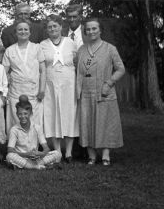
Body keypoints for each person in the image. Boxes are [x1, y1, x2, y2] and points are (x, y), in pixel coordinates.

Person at [76, 18, 125, 166]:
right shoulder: (81, 49)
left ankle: (105, 155)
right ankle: (91, 155)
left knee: (105, 123)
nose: (91, 31)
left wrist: (109, 83)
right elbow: (77, 69)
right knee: (87, 123)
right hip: (85, 92)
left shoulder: (110, 48)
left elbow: (120, 69)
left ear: (100, 30)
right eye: (88, 29)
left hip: (103, 92)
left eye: (94, 28)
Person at [40, 14, 78, 162]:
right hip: (50, 84)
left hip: (69, 83)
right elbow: (41, 66)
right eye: (49, 27)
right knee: (53, 114)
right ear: (46, 29)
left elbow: (75, 60)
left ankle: (68, 152)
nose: (52, 29)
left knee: (69, 114)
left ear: (61, 27)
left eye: (55, 26)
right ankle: (57, 151)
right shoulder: (42, 44)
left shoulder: (70, 42)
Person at [2, 20, 46, 132]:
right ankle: (15, 147)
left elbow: (43, 70)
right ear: (15, 33)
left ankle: (33, 148)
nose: (23, 31)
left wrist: (42, 89)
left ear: (30, 32)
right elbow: (3, 73)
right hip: (16, 91)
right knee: (16, 119)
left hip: (34, 91)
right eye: (20, 29)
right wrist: (5, 88)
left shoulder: (37, 48)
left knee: (34, 120)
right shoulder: (9, 50)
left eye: (25, 29)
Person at [6, 95, 62, 170]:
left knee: (57, 154)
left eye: (25, 113)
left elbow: (46, 148)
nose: (22, 116)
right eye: (20, 114)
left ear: (30, 114)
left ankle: (27, 166)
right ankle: (36, 167)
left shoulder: (37, 127)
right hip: (22, 157)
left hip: (36, 158)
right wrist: (25, 154)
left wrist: (40, 154)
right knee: (9, 156)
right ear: (17, 114)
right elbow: (10, 149)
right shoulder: (14, 129)